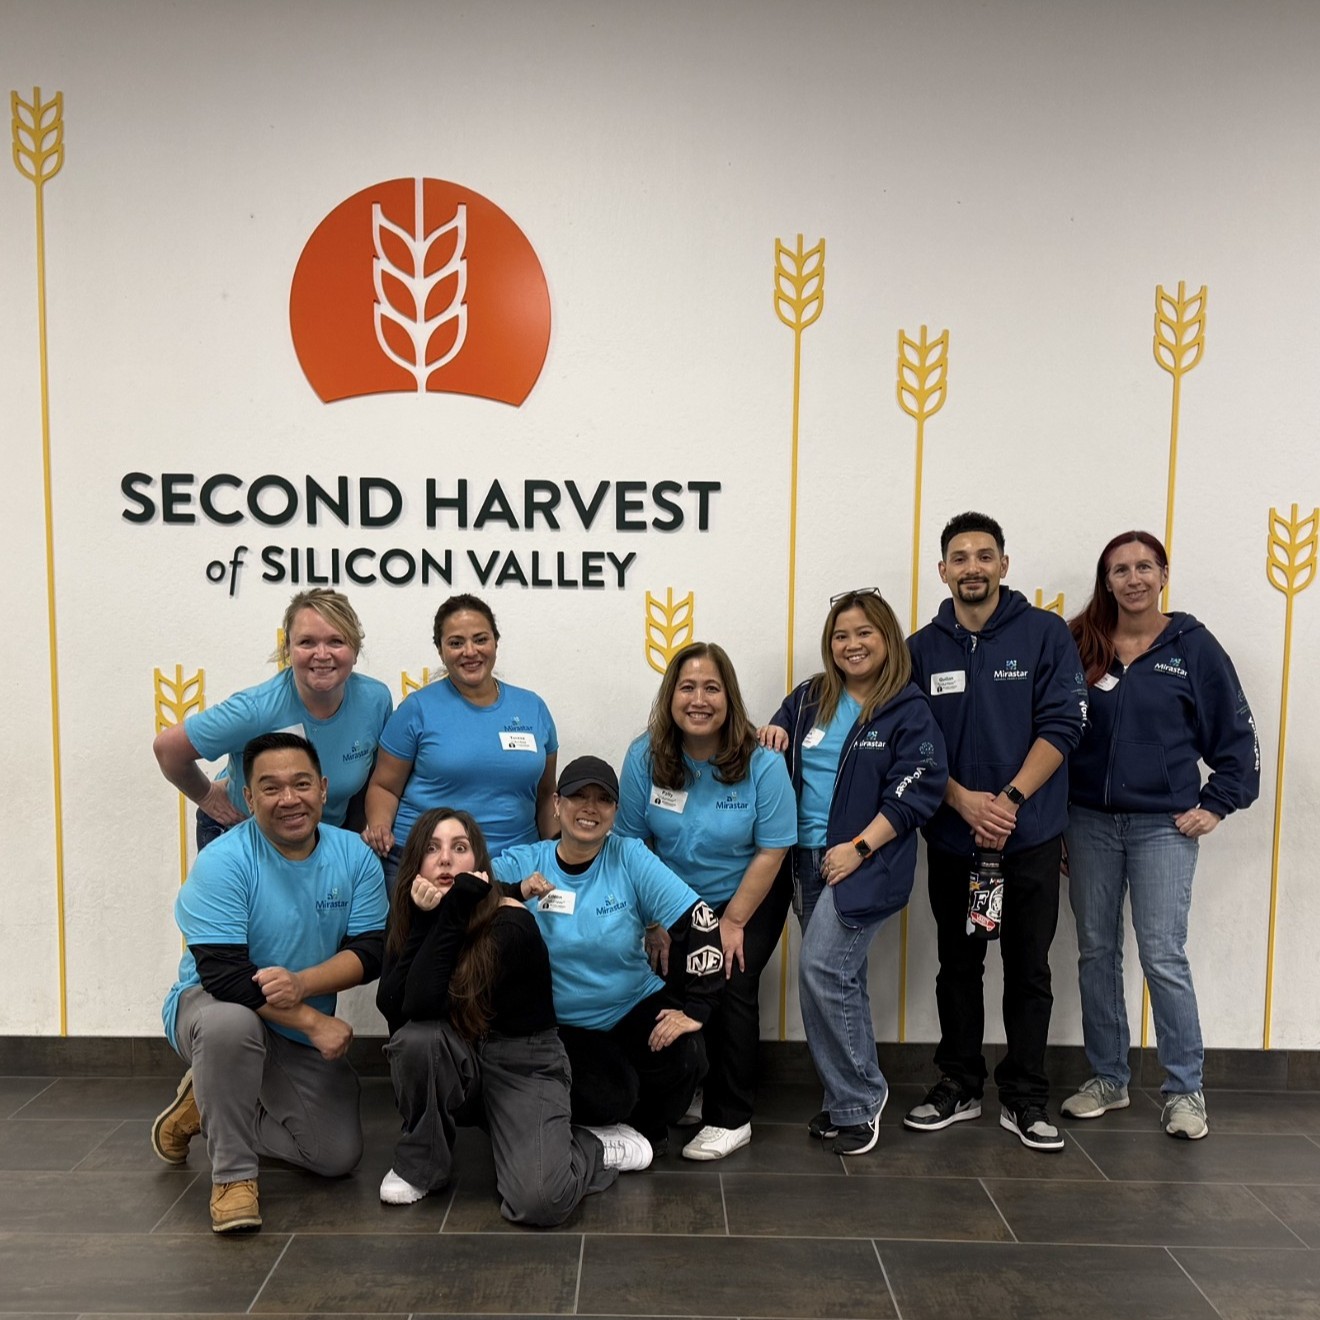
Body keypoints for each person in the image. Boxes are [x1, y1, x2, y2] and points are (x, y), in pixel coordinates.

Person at [1061, 531, 1259, 1140]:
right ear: (1107, 580)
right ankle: (1108, 1078)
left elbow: (1237, 740)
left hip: (1162, 829)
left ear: (1164, 573)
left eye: (1144, 566)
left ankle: (1185, 1090)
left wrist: (1216, 805)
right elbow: (1054, 734)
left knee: (1162, 956)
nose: (1133, 579)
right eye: (1120, 570)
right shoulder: (1081, 644)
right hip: (1088, 822)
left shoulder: (1193, 648)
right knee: (1096, 952)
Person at [152, 732, 388, 1233]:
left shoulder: (355, 856)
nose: (289, 799)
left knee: (334, 1156)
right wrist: (311, 1020)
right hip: (212, 1005)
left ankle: (211, 1101)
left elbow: (371, 952)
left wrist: (301, 986)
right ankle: (233, 1178)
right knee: (228, 1026)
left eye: (301, 784)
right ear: (248, 797)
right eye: (271, 788)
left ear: (323, 789)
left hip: (289, 1022)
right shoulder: (225, 861)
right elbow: (222, 974)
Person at [905, 512, 1086, 1152]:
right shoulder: (920, 648)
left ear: (1004, 565)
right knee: (959, 965)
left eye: (985, 556)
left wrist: (1007, 801)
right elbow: (912, 741)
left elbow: (1063, 725)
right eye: (960, 557)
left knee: (1028, 967)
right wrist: (962, 802)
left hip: (1028, 837)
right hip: (957, 842)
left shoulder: (1043, 635)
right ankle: (957, 1084)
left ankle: (1025, 1096)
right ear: (943, 570)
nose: (972, 567)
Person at [375, 809, 645, 1225]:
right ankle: (421, 1164)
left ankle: (588, 1146)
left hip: (523, 1062)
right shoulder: (413, 911)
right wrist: (427, 921)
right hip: (458, 1054)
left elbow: (429, 998)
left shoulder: (511, 922)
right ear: (417, 864)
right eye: (432, 849)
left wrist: (450, 913)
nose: (445, 860)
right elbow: (395, 1005)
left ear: (479, 866)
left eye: (459, 848)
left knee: (541, 1202)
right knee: (417, 1040)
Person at [764, 590, 947, 1154]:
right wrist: (769, 736)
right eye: (841, 635)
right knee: (836, 978)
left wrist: (859, 848)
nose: (852, 644)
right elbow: (777, 740)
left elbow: (920, 789)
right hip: (805, 860)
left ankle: (861, 1100)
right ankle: (842, 1100)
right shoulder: (809, 698)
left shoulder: (906, 707)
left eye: (864, 633)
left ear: (886, 638)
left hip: (864, 862)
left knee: (822, 971)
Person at [492, 756, 725, 1155]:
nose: (589, 808)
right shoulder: (527, 861)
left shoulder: (629, 856)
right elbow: (468, 894)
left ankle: (641, 1132)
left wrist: (698, 1007)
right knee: (612, 1094)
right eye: (578, 796)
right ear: (556, 804)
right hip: (563, 1024)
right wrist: (515, 892)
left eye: (602, 799)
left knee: (687, 1057)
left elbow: (699, 918)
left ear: (615, 811)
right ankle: (610, 1130)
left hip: (630, 1002)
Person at [617, 643, 796, 1160]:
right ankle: (692, 1084)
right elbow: (632, 844)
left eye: (712, 688)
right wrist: (652, 920)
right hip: (670, 895)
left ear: (729, 697)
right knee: (670, 979)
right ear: (671, 695)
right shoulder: (644, 755)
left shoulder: (761, 761)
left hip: (748, 890)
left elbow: (774, 846)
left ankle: (731, 1116)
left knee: (730, 978)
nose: (699, 699)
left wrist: (733, 920)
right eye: (688, 687)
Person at [152, 589, 392, 849]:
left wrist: (353, 842)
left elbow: (372, 780)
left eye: (336, 641)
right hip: (245, 836)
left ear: (355, 650)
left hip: (319, 839)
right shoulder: (254, 710)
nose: (322, 654)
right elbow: (168, 749)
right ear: (288, 650)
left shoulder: (375, 701)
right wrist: (208, 796)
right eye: (307, 642)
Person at [363, 594, 557, 880]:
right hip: (426, 866)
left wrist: (556, 854)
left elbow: (545, 796)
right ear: (441, 651)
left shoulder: (533, 708)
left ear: (495, 643)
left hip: (514, 865)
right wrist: (379, 826)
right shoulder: (417, 709)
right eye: (456, 643)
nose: (470, 651)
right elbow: (384, 787)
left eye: (480, 639)